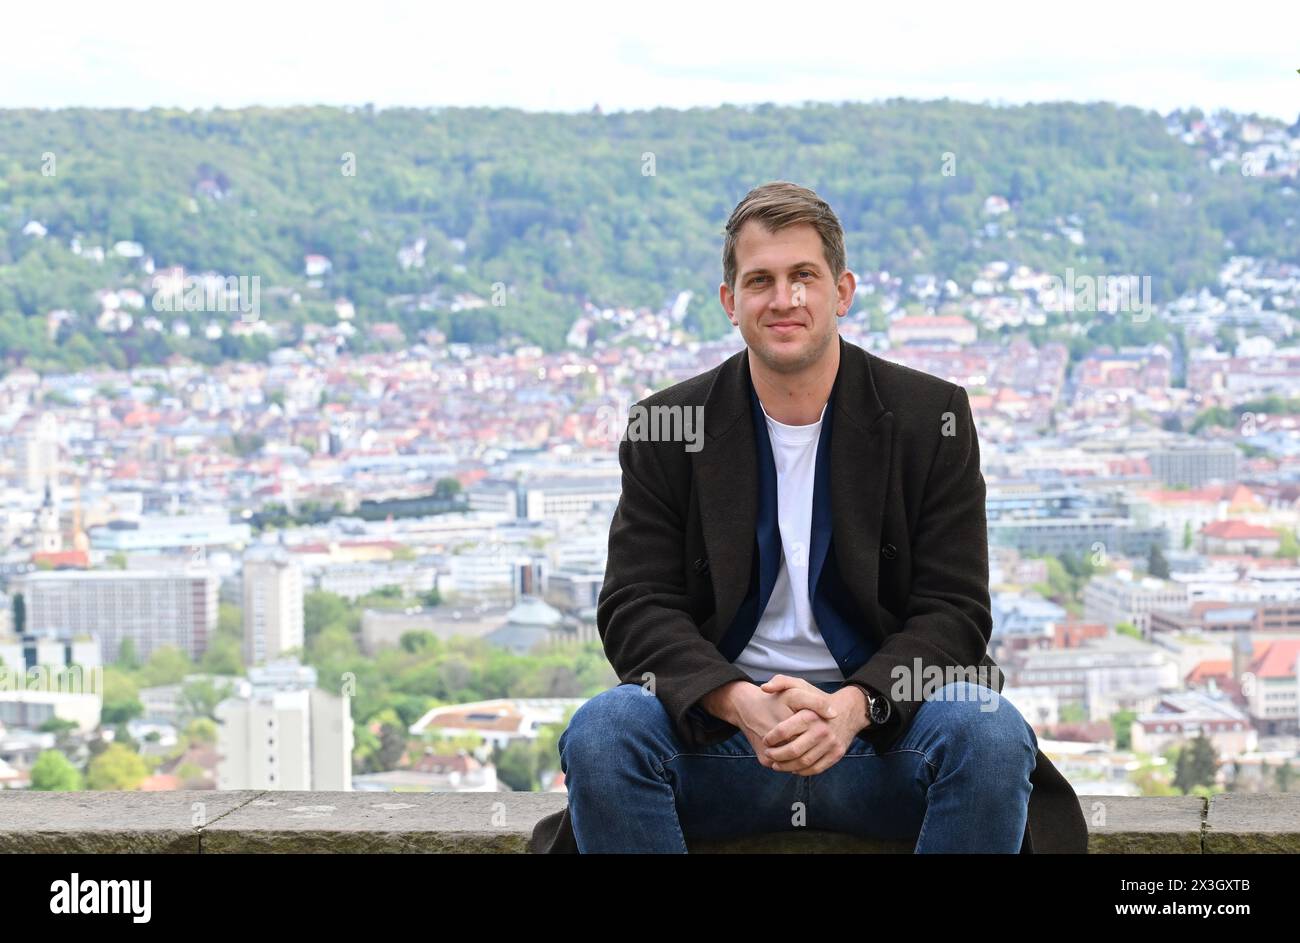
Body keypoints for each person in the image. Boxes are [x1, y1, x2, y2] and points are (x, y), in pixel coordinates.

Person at [530, 180, 1088, 854]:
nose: (784, 298)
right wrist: (739, 701)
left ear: (842, 291)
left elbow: (955, 612)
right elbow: (635, 605)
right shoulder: (668, 425)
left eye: (804, 276)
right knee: (604, 730)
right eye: (760, 280)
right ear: (730, 302)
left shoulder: (927, 417)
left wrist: (852, 708)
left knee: (990, 731)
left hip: (884, 743)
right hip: (721, 745)